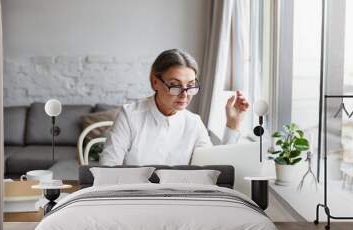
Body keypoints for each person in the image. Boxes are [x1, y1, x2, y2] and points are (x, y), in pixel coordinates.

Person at [99, 49, 249, 166]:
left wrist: (232, 124)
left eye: (190, 86)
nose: (184, 95)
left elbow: (214, 171)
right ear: (155, 82)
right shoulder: (130, 116)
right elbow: (108, 168)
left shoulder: (194, 123)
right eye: (175, 85)